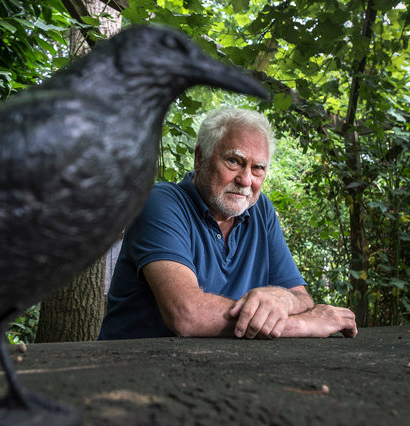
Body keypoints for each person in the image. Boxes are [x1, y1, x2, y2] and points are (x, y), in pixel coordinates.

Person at [98, 107, 358, 340]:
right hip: (130, 371)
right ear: (200, 159)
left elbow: (301, 297)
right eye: (234, 161)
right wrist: (304, 325)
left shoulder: (260, 209)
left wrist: (283, 298)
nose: (246, 180)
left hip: (214, 369)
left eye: (258, 168)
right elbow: (186, 315)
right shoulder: (159, 202)